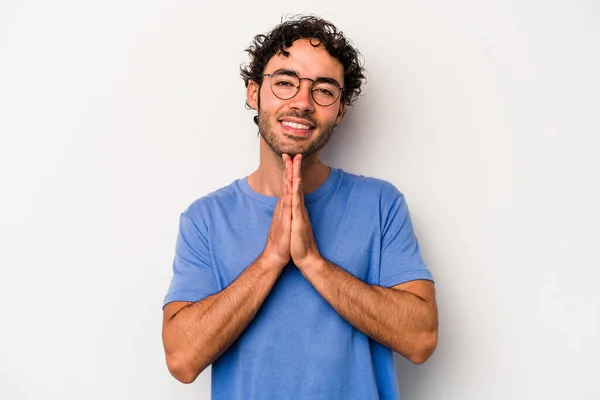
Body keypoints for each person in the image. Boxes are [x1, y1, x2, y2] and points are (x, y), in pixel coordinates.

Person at [161, 15, 438, 400]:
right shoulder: (205, 219)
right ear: (254, 93)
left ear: (340, 110)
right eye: (285, 82)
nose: (302, 103)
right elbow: (181, 359)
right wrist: (270, 260)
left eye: (324, 90)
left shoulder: (380, 204)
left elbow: (421, 339)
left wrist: (312, 261)